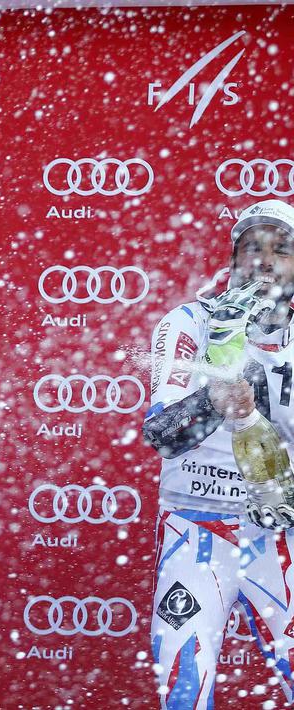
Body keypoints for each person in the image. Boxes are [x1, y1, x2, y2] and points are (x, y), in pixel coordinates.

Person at [143, 199, 294, 708]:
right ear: (232, 262)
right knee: (186, 687)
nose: (265, 260)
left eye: (282, 249)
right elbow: (164, 433)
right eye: (252, 247)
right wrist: (213, 398)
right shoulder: (189, 322)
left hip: (281, 532)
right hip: (197, 525)